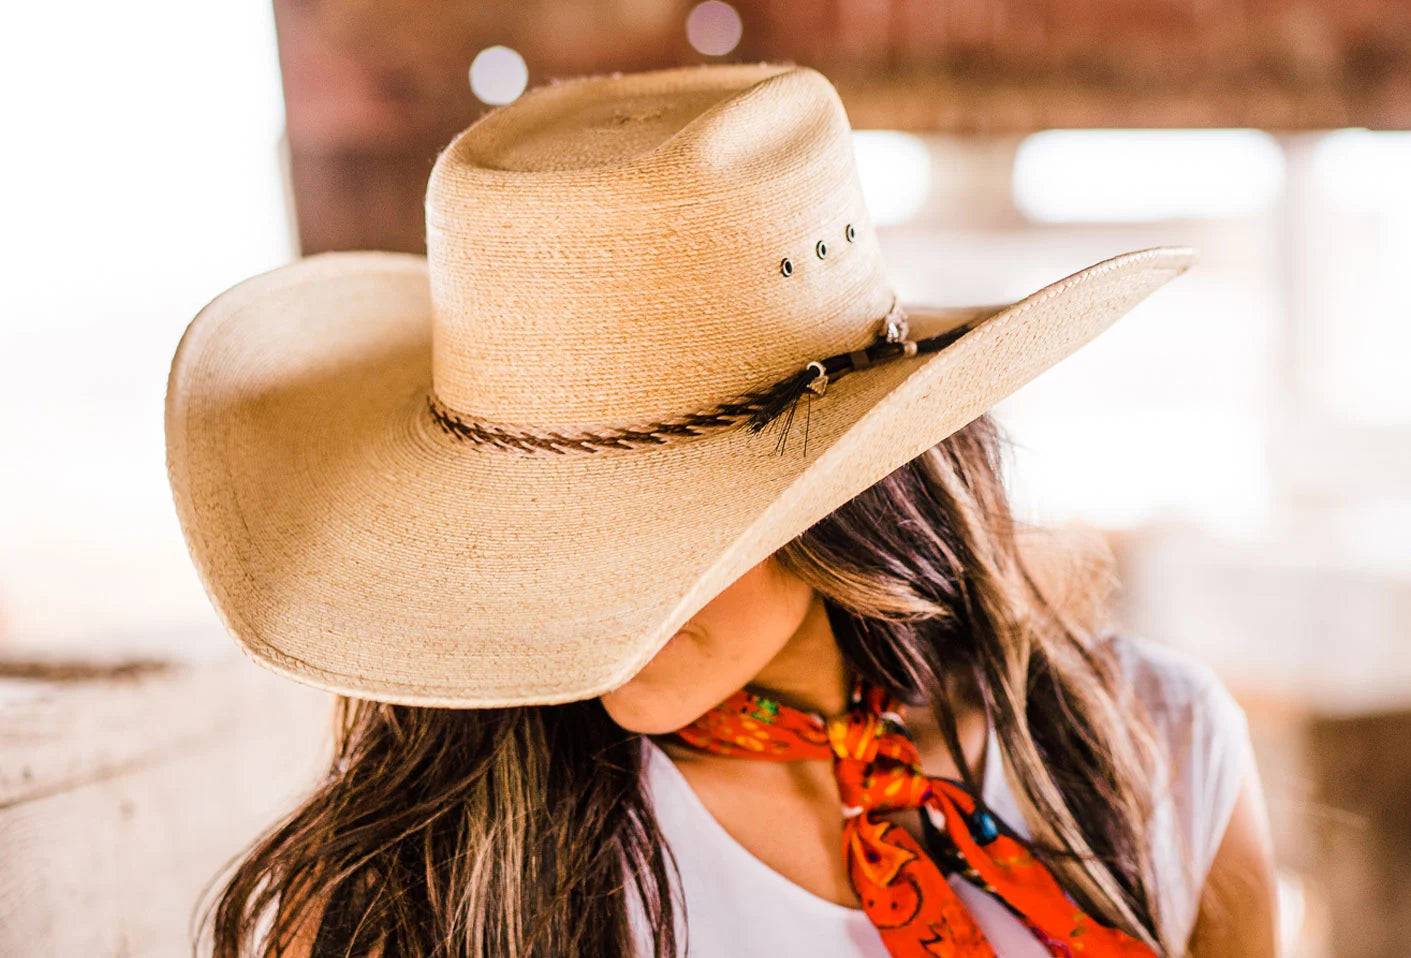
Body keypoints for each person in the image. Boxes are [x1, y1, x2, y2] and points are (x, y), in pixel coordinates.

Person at [165, 62, 1278, 957]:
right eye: (526, 529)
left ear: (852, 493)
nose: (584, 593)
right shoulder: (429, 881)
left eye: (651, 524)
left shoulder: (1160, 754)